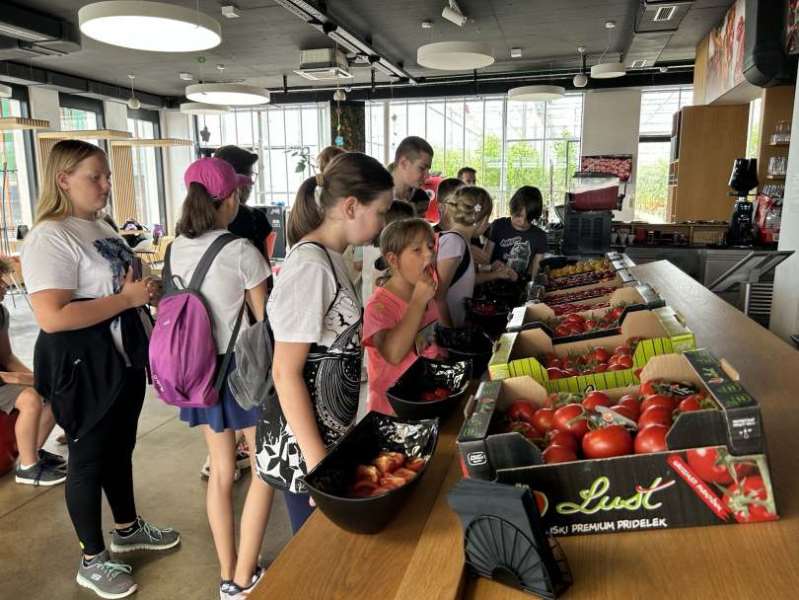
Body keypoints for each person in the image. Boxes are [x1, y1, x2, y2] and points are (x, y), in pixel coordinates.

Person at [21, 139, 178, 600]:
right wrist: (125, 299)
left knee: (119, 448)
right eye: (96, 177)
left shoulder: (100, 225)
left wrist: (142, 292)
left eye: (107, 176)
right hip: (82, 364)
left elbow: (115, 287)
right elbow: (52, 316)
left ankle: (127, 528)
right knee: (88, 458)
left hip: (122, 358)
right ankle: (92, 559)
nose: (107, 185)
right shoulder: (50, 236)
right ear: (63, 179)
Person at [255, 152, 393, 533]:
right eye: (380, 212)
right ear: (351, 207)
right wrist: (320, 466)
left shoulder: (331, 259)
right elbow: (285, 373)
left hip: (327, 440)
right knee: (317, 551)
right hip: (305, 451)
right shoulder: (311, 266)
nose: (383, 223)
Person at [169, 157, 274, 600]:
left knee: (221, 472)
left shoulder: (175, 247)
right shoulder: (241, 250)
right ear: (230, 198)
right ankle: (244, 573)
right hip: (240, 370)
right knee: (265, 467)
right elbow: (264, 322)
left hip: (196, 371)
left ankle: (227, 572)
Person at [210, 145, 269, 483]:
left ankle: (224, 456)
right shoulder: (246, 229)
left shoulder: (184, 238)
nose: (251, 183)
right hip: (242, 333)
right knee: (250, 403)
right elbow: (260, 291)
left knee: (220, 465)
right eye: (248, 176)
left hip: (207, 344)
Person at [363, 219, 441, 415]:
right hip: (394, 411)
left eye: (430, 246)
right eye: (417, 250)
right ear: (393, 260)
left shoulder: (424, 292)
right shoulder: (379, 306)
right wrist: (417, 302)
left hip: (426, 399)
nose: (429, 254)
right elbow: (393, 354)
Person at [0, 260, 66, 486]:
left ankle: (31, 453)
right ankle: (27, 468)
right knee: (29, 399)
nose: (4, 285)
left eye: (3, 279)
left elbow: (8, 357)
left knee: (54, 391)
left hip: (3, 380)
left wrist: (38, 380)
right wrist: (9, 379)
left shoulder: (1, 312)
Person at [436, 186, 515, 328]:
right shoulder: (454, 243)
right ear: (483, 220)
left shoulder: (461, 242)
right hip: (445, 329)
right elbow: (438, 296)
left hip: (458, 322)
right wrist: (450, 331)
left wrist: (495, 274)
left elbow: (463, 281)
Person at [487, 185, 548, 279]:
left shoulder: (540, 236)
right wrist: (491, 266)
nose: (522, 222)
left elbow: (535, 274)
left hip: (521, 284)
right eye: (518, 216)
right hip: (492, 281)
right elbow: (484, 260)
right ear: (512, 208)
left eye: (528, 219)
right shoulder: (498, 226)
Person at [392, 136, 433, 216]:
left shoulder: (421, 198)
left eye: (428, 169)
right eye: (422, 168)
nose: (427, 176)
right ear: (403, 163)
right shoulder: (376, 196)